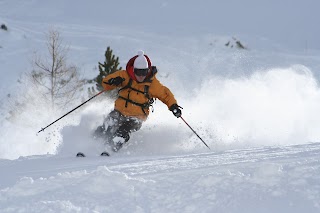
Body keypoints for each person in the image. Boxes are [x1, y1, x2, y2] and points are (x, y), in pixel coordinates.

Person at [94, 50, 182, 151]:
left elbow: (165, 94)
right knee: (108, 124)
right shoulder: (125, 76)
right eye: (138, 72)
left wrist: (173, 106)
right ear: (133, 70)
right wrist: (113, 82)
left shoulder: (152, 84)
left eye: (144, 72)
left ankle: (111, 149)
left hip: (137, 117)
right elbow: (106, 83)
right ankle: (91, 144)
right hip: (119, 111)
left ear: (147, 70)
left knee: (123, 130)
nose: (141, 76)